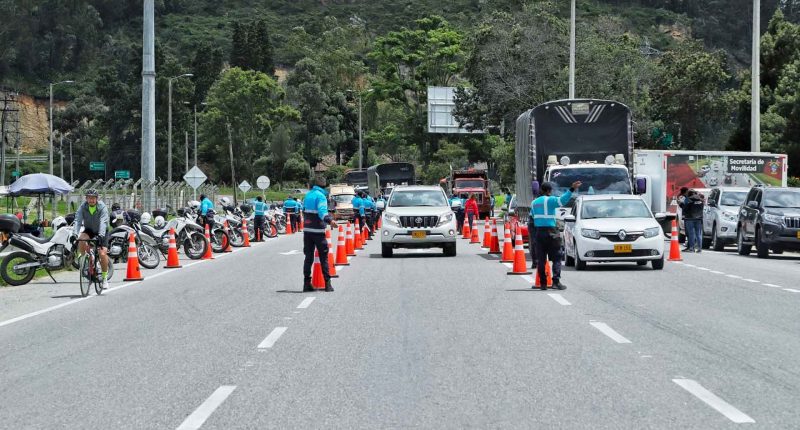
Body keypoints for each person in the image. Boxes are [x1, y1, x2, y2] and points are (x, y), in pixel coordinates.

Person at [531, 180, 581, 290]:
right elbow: (563, 200)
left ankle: (543, 284)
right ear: (549, 191)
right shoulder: (551, 200)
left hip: (539, 232)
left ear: (541, 190)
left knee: (541, 259)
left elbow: (533, 216)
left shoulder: (534, 203)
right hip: (552, 232)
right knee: (557, 257)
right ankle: (556, 282)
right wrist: (572, 189)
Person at [302, 176, 336, 292]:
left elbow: (304, 210)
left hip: (307, 231)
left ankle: (306, 283)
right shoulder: (321, 196)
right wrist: (330, 220)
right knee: (323, 257)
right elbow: (322, 212)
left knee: (308, 258)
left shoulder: (308, 195)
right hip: (318, 232)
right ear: (324, 186)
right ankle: (327, 284)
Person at [74, 189, 111, 290]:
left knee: (102, 253)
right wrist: (74, 234)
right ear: (86, 199)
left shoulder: (102, 207)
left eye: (93, 198)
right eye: (89, 198)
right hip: (89, 230)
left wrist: (100, 235)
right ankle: (84, 260)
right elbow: (78, 220)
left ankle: (104, 279)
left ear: (97, 199)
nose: (91, 200)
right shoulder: (83, 207)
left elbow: (103, 221)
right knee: (81, 239)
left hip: (102, 231)